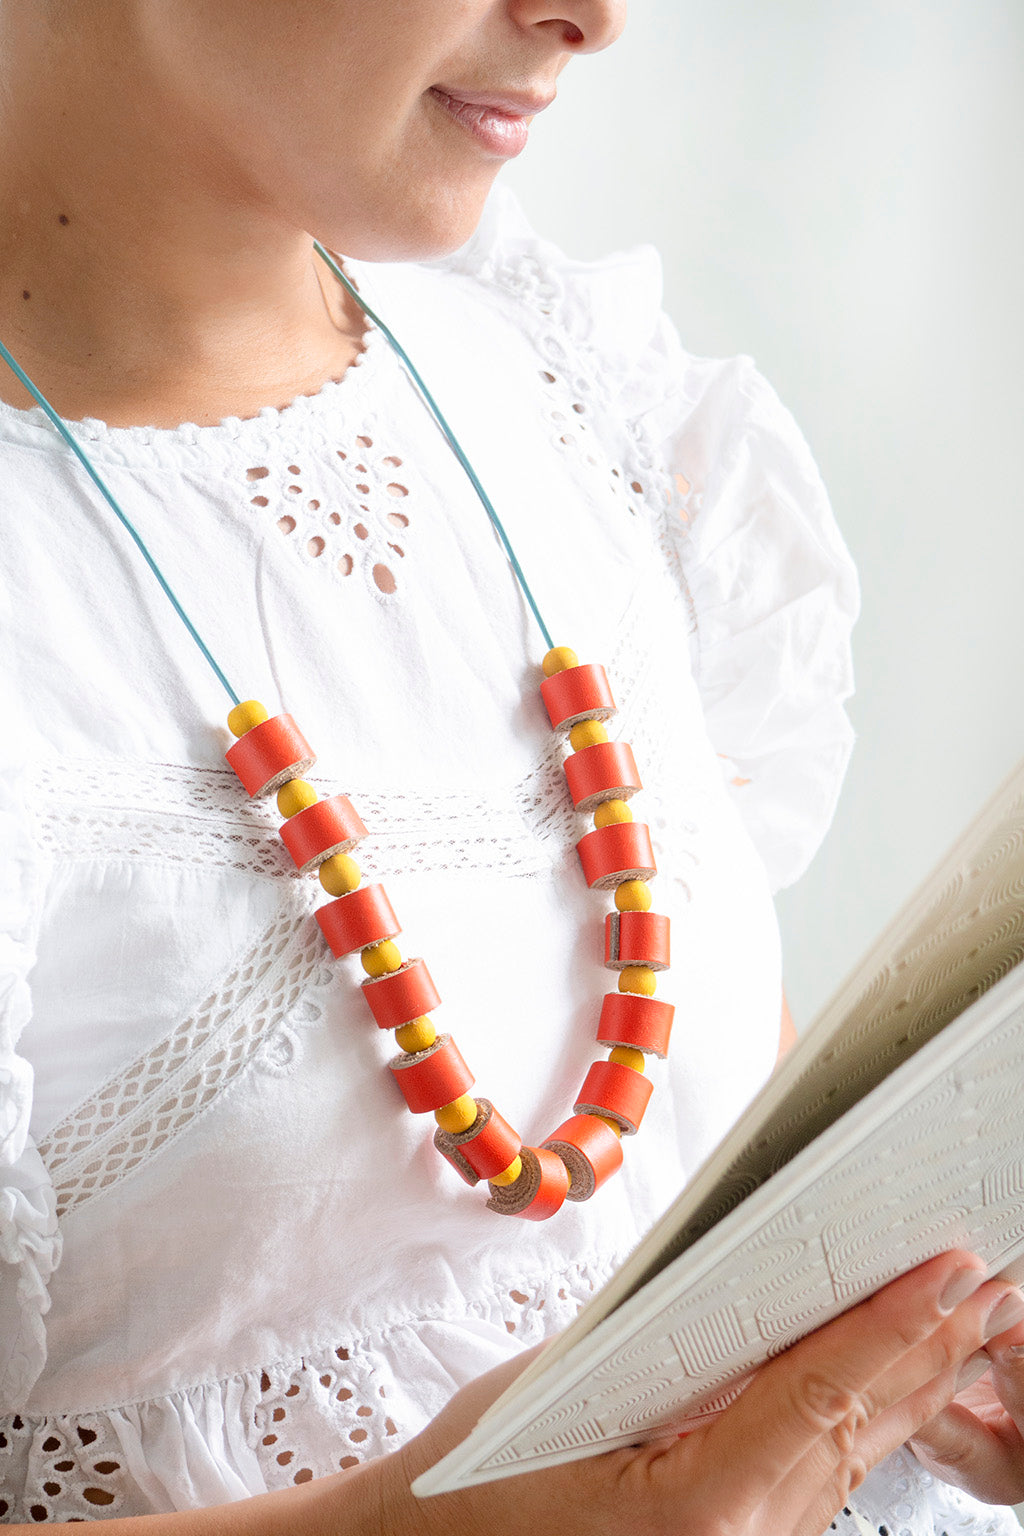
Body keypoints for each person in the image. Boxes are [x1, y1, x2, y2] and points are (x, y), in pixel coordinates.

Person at [1, 2, 1023, 1533]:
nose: (596, 16)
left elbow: (708, 1114)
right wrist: (406, 1525)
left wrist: (948, 1318)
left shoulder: (542, 377)